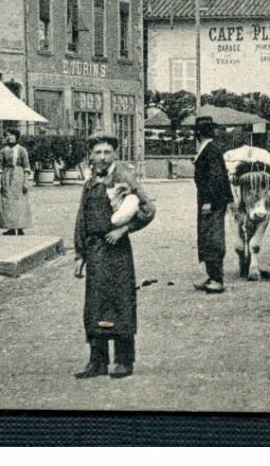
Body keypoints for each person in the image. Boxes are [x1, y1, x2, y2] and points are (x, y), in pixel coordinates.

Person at [73, 134, 155, 379]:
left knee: (120, 301)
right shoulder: (90, 182)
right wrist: (80, 255)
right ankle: (97, 362)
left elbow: (148, 209)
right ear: (91, 155)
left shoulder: (122, 177)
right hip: (96, 251)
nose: (102, 157)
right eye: (97, 152)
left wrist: (124, 229)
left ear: (115, 154)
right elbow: (82, 219)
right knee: (96, 304)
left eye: (107, 152)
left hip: (117, 251)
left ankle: (124, 361)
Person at [192, 116, 232, 293]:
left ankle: (217, 279)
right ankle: (211, 275)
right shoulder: (207, 149)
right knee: (205, 236)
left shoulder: (211, 150)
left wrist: (209, 201)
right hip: (208, 200)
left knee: (212, 236)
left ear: (198, 133)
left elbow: (215, 178)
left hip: (212, 202)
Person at [0, 130, 32, 235]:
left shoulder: (22, 150)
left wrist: (26, 181)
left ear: (16, 136)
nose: (9, 137)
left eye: (12, 135)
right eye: (7, 135)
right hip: (6, 177)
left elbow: (26, 166)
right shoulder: (3, 151)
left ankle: (20, 227)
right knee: (8, 202)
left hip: (18, 177)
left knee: (19, 202)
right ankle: (10, 227)